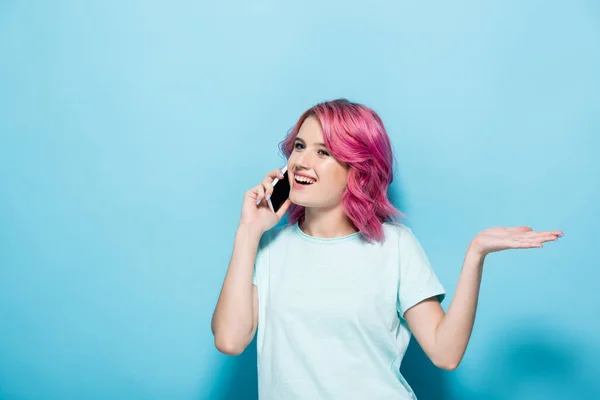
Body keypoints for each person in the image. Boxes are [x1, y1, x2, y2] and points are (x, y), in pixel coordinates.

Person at [211, 98, 563, 399]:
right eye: (300, 147)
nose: (302, 162)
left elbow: (445, 353)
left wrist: (476, 253)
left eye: (324, 152)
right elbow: (230, 340)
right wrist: (248, 231)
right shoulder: (269, 249)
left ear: (357, 169)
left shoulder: (395, 246)